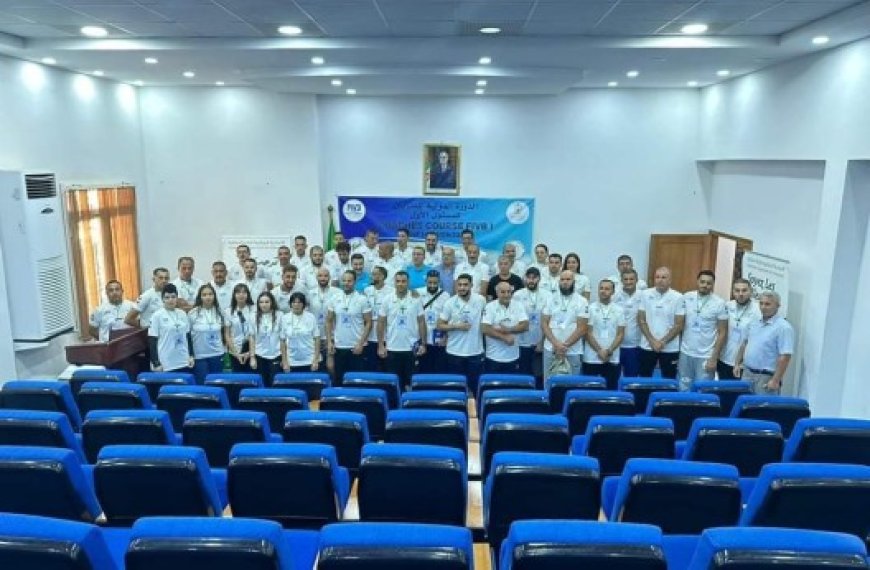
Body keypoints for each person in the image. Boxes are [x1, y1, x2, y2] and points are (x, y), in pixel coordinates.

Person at [733, 290, 794, 395]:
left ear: (778, 306)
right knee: (745, 409)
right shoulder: (754, 323)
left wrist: (775, 380)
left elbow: (785, 357)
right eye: (761, 303)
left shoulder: (784, 327)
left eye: (767, 304)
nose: (763, 307)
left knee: (763, 410)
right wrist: (737, 364)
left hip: (766, 377)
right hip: (747, 374)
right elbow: (744, 344)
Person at [678, 270, 729, 389]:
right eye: (702, 282)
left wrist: (714, 358)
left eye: (709, 283)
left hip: (706, 355)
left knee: (703, 389)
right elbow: (679, 324)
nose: (705, 285)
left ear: (713, 285)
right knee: (683, 387)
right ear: (697, 282)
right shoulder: (687, 297)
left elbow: (722, 332)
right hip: (686, 352)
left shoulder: (719, 303)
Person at [437, 273, 486, 394]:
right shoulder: (450, 302)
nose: (462, 288)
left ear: (471, 285)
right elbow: (439, 325)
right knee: (456, 388)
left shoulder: (481, 300)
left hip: (475, 352)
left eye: (465, 285)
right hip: (454, 352)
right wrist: (456, 326)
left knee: (475, 388)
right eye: (459, 285)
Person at [378, 271, 427, 391]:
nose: (400, 284)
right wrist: (380, 345)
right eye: (398, 281)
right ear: (394, 282)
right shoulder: (387, 299)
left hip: (411, 349)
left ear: (408, 282)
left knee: (412, 382)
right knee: (394, 384)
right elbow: (381, 322)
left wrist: (423, 344)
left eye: (403, 281)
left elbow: (421, 322)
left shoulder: (416, 299)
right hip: (392, 348)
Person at [637, 267, 685, 379]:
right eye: (657, 277)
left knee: (669, 378)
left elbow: (679, 324)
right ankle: (643, 397)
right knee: (644, 377)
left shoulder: (678, 297)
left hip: (670, 347)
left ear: (670, 280)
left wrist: (662, 342)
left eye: (664, 277)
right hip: (648, 345)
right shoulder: (645, 294)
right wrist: (652, 341)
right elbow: (641, 320)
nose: (660, 280)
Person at [326, 270, 372, 386]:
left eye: (349, 281)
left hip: (356, 347)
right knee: (339, 381)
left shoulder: (362, 299)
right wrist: (329, 342)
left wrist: (361, 343)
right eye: (344, 280)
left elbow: (369, 322)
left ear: (355, 282)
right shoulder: (334, 298)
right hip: (340, 346)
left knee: (356, 382)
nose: (346, 283)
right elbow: (328, 320)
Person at [541, 270, 589, 378]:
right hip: (551, 348)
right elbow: (544, 323)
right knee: (549, 383)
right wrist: (556, 344)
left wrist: (564, 346)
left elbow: (582, 328)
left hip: (572, 350)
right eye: (562, 279)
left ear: (574, 281)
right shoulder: (550, 298)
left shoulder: (582, 301)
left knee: (572, 384)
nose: (565, 282)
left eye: (568, 279)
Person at [583, 279, 626, 389]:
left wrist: (609, 351)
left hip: (612, 357)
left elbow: (620, 334)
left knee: (611, 389)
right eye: (601, 288)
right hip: (592, 357)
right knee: (590, 390)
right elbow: (587, 332)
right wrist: (599, 350)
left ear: (613, 292)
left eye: (607, 289)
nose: (603, 291)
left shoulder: (619, 310)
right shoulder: (590, 308)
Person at [512, 267, 550, 382]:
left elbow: (549, 321)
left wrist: (542, 341)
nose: (531, 281)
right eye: (529, 278)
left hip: (540, 340)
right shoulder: (518, 295)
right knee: (523, 373)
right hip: (522, 341)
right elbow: (515, 318)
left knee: (539, 375)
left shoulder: (547, 295)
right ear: (525, 279)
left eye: (534, 278)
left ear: (539, 279)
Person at [482, 281, 529, 373]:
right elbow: (484, 328)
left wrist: (508, 329)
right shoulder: (490, 307)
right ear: (497, 293)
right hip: (493, 357)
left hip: (513, 356)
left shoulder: (518, 306)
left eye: (508, 291)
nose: (506, 295)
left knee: (511, 386)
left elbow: (525, 325)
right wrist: (504, 337)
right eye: (503, 292)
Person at [718, 278, 760, 379]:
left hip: (744, 364)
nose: (740, 294)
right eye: (737, 290)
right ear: (733, 292)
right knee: (722, 392)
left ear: (751, 292)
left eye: (744, 290)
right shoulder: (727, 306)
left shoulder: (758, 310)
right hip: (724, 359)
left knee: (739, 393)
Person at [147, 283, 194, 372]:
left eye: (173, 297)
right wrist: (156, 362)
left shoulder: (182, 314)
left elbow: (188, 336)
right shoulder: (157, 316)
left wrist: (191, 355)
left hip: (184, 360)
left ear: (177, 298)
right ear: (162, 299)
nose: (170, 300)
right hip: (166, 363)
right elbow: (152, 341)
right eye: (167, 297)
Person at [308, 266, 342, 377]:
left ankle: (333, 388)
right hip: (314, 336)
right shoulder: (309, 293)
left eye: (326, 276)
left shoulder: (337, 292)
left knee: (330, 366)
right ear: (316, 277)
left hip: (331, 335)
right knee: (316, 364)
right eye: (320, 276)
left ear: (330, 277)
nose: (323, 278)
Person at [188, 283, 225, 383]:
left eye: (210, 294)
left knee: (217, 383)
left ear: (214, 296)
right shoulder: (193, 313)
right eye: (204, 295)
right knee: (202, 384)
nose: (208, 297)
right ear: (200, 297)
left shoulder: (220, 312)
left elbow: (225, 333)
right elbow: (187, 336)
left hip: (217, 354)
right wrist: (190, 354)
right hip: (200, 355)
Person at [417, 270, 449, 373]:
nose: (432, 285)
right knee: (422, 367)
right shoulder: (417, 293)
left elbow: (448, 319)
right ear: (426, 281)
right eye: (430, 282)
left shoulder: (446, 296)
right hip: (421, 337)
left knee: (438, 368)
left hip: (438, 339)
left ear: (439, 282)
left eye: (435, 283)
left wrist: (446, 337)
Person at [614, 269, 643, 377]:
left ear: (637, 280)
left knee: (631, 378)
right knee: (613, 378)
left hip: (635, 345)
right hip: (615, 345)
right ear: (621, 280)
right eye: (625, 279)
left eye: (631, 279)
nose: (628, 282)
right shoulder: (614, 296)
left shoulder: (643, 296)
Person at [280, 292, 320, 373]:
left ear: (303, 304)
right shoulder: (284, 318)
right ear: (290, 304)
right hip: (291, 361)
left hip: (309, 360)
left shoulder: (311, 317)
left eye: (299, 302)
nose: (296, 305)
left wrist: (315, 360)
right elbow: (282, 341)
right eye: (294, 302)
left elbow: (317, 339)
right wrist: (284, 362)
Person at [249, 291, 282, 386]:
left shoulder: (280, 315)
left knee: (275, 383)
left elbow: (283, 338)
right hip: (260, 355)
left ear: (272, 302)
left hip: (276, 354)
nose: (264, 305)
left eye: (267, 302)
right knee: (262, 383)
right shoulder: (253, 316)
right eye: (261, 302)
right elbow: (252, 337)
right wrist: (252, 357)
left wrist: (284, 358)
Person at [363, 266, 393, 370]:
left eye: (377, 274)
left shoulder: (391, 291)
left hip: (385, 331)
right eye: (373, 274)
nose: (374, 277)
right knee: (371, 365)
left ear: (383, 276)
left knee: (386, 365)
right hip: (370, 332)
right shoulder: (367, 290)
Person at [224, 283, 254, 372]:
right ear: (234, 295)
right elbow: (227, 334)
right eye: (238, 293)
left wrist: (250, 353)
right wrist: (235, 353)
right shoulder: (228, 311)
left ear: (248, 295)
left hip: (252, 349)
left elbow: (257, 332)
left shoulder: (254, 309)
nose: (241, 295)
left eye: (244, 292)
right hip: (235, 349)